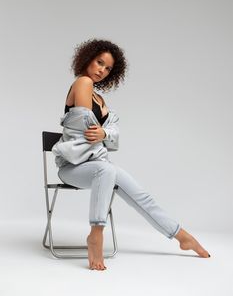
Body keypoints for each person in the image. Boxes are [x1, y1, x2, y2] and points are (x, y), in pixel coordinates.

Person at [56, 38, 211, 271]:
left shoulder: (99, 97)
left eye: (108, 68)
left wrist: (105, 133)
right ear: (87, 58)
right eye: (99, 62)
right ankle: (96, 235)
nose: (102, 70)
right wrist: (107, 133)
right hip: (73, 168)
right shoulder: (83, 83)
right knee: (107, 169)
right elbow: (90, 131)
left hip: (97, 165)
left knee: (140, 194)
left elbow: (108, 134)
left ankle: (182, 236)